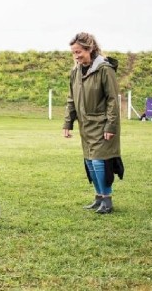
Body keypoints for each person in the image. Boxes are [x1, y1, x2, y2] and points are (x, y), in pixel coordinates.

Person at [62, 32, 123, 214]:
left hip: (102, 124)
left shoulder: (105, 69)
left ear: (90, 49)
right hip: (85, 126)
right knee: (89, 161)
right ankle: (98, 197)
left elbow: (113, 99)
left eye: (79, 52)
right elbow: (71, 99)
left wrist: (111, 126)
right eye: (74, 53)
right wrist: (67, 123)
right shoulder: (75, 72)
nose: (77, 56)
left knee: (99, 162)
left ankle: (107, 199)